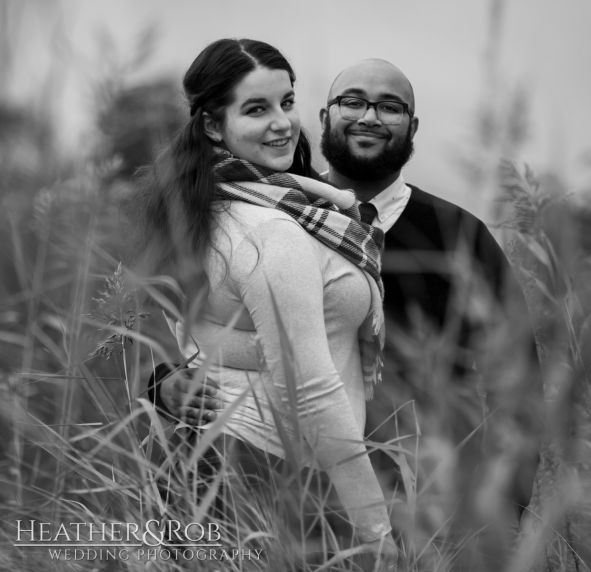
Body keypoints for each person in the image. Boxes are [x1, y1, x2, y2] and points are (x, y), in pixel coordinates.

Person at [153, 57, 542, 565]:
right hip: (262, 488)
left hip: (417, 505)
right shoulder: (268, 209)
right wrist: (164, 382)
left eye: (390, 107)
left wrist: (504, 509)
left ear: (413, 127)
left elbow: (518, 383)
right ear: (323, 116)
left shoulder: (458, 237)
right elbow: (178, 315)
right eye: (353, 102)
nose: (369, 117)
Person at [127, 39, 397, 570]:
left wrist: (229, 350)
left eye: (287, 102)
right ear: (210, 125)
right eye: (256, 109)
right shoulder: (270, 228)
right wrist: (377, 531)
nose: (282, 123)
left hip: (226, 456)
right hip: (257, 465)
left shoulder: (220, 203)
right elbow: (309, 383)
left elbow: (198, 329)